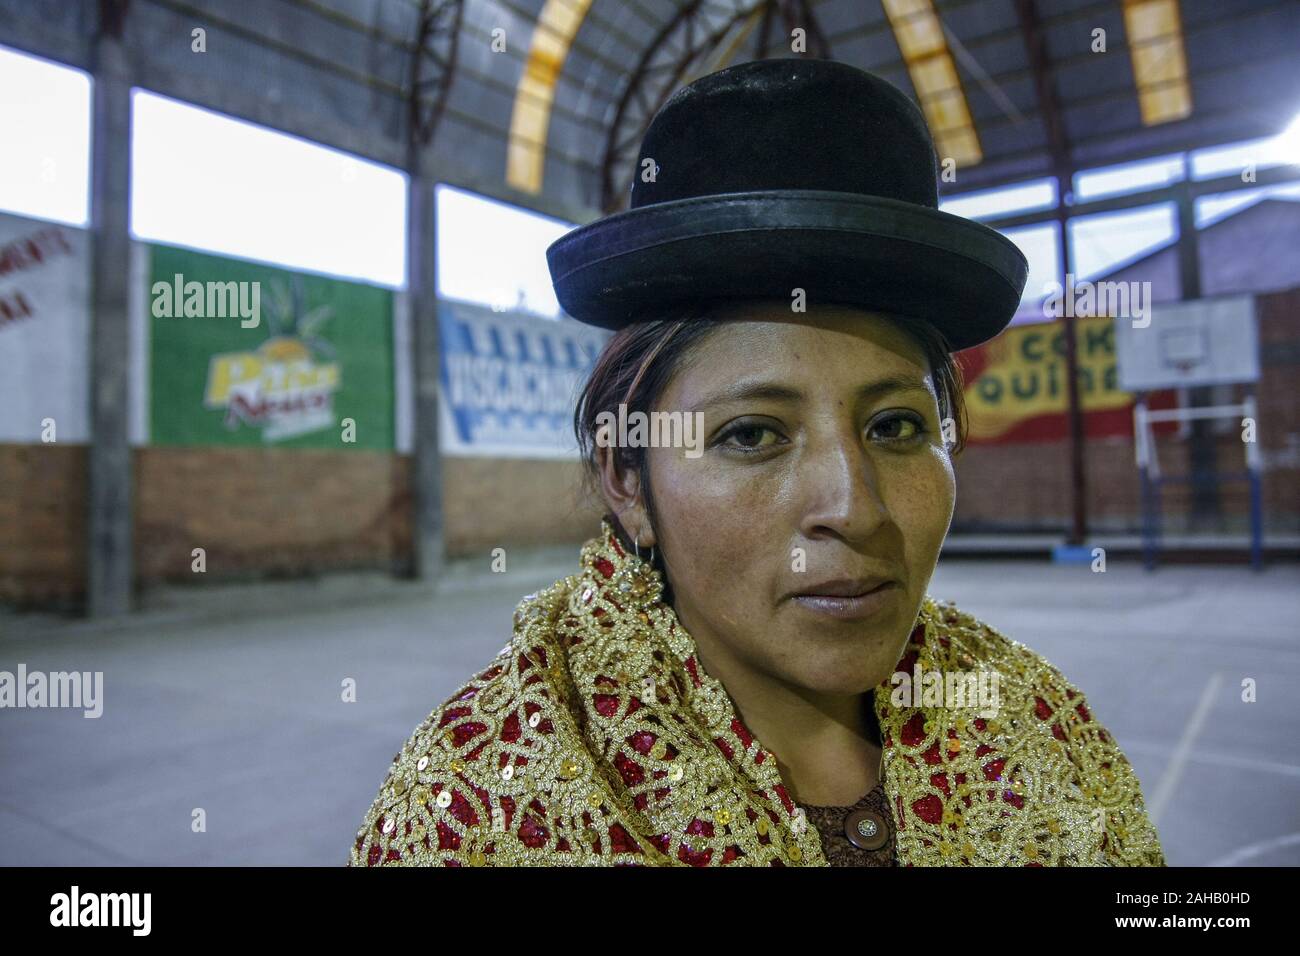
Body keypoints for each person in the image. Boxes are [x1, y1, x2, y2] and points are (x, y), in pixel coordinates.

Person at [349, 57, 1165, 867]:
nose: (855, 509)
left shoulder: (1033, 718)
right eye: (751, 436)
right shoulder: (481, 806)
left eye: (895, 426)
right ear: (628, 479)